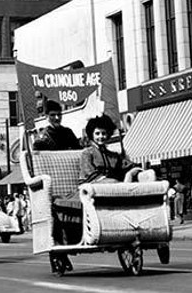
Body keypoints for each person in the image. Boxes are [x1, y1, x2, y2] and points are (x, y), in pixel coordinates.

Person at [51, 114, 148, 273]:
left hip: (111, 189)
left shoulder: (114, 155)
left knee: (126, 187)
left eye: (103, 133)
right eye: (97, 133)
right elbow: (90, 174)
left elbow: (128, 166)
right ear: (91, 135)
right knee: (116, 186)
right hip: (90, 188)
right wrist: (116, 182)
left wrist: (133, 172)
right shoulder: (87, 153)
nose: (101, 136)